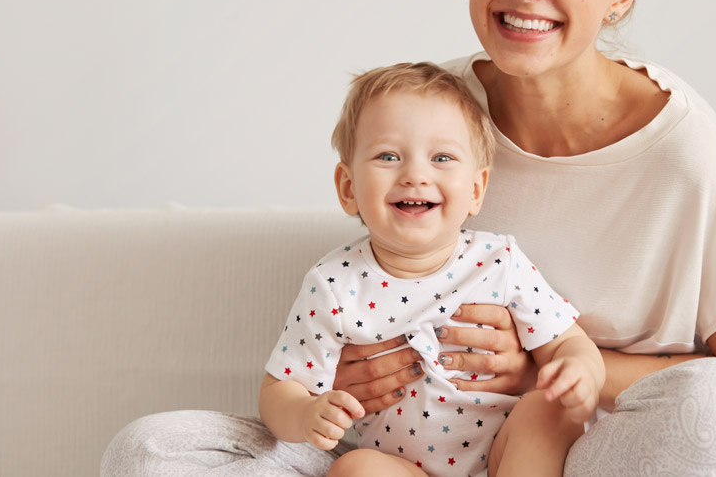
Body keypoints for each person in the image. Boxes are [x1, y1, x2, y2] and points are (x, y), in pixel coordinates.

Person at [102, 0, 716, 475]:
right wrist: (333, 389)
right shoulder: (430, 117)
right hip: (386, 452)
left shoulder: (682, 154)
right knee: (150, 454)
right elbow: (339, 335)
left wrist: (540, 369)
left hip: (569, 453)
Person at [259, 62, 605, 477]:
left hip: (505, 454)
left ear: (476, 189)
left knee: (549, 410)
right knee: (355, 468)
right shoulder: (334, 284)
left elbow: (570, 343)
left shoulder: (500, 261)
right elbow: (279, 390)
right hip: (403, 468)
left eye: (441, 157)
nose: (415, 175)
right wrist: (305, 413)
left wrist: (580, 371)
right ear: (348, 188)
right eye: (388, 156)